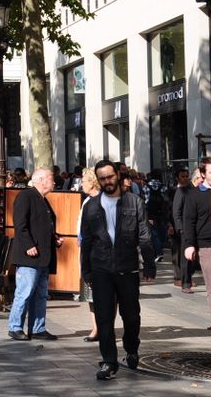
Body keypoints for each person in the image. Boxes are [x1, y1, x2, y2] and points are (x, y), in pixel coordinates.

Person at [80, 159, 155, 381]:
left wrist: (149, 264)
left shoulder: (134, 202)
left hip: (127, 268)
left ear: (118, 176)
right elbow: (86, 241)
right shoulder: (91, 206)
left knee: (131, 317)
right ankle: (109, 362)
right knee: (104, 319)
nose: (107, 182)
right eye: (102, 178)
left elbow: (144, 235)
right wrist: (86, 272)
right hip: (101, 269)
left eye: (110, 177)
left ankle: (131, 349)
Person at [7, 168, 63, 341]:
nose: (54, 182)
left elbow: (42, 226)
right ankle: (15, 327)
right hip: (29, 256)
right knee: (25, 292)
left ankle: (38, 328)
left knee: (40, 294)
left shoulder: (43, 199)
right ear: (40, 180)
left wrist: (54, 239)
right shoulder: (26, 197)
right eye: (51, 179)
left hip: (43, 256)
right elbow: (20, 224)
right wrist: (28, 244)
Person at [183, 157, 211, 340]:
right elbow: (188, 221)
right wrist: (189, 244)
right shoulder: (194, 195)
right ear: (203, 174)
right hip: (207, 246)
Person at [75, 166, 102, 342]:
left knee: (105, 296)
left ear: (92, 182)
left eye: (83, 180)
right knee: (91, 295)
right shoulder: (86, 202)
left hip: (100, 253)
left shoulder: (103, 201)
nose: (80, 184)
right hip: (86, 251)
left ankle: (105, 327)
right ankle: (96, 328)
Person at [169, 167, 198, 292]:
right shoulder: (177, 191)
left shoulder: (194, 190)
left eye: (187, 176)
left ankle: (187, 277)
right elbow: (174, 211)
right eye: (183, 176)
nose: (185, 178)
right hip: (181, 228)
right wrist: (176, 226)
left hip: (194, 228)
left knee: (192, 256)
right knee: (181, 254)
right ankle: (182, 279)